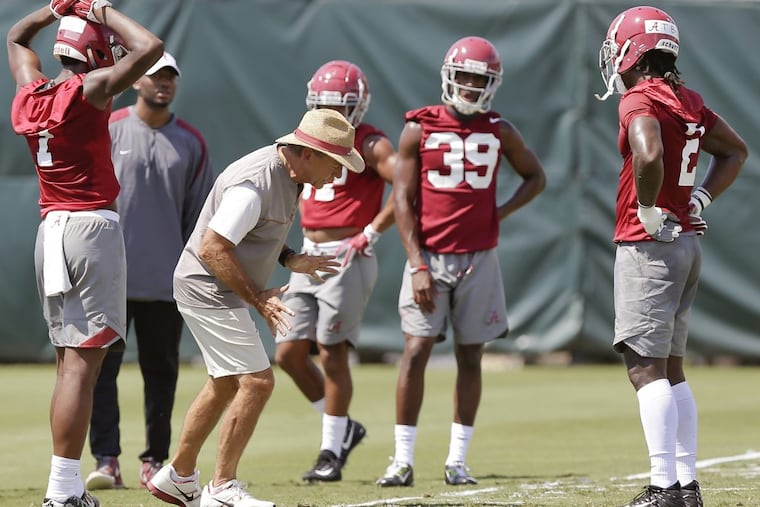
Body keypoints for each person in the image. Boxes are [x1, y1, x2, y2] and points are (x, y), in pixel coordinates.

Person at [147, 107, 364, 507]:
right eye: (336, 163)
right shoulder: (255, 184)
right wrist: (258, 299)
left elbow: (252, 234)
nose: (338, 174)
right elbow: (213, 248)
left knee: (225, 382)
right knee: (258, 382)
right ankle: (222, 488)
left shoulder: (290, 174)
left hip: (213, 287)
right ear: (308, 153)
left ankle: (178, 476)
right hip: (207, 288)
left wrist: (289, 259)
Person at [7, 0, 163, 505]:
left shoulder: (31, 90)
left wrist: (53, 11)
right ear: (95, 51)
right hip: (90, 229)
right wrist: (98, 9)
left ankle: (68, 487)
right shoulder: (91, 88)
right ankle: (60, 492)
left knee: (67, 364)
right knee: (82, 367)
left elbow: (15, 39)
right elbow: (151, 48)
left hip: (50, 228)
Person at [376, 36, 546, 488]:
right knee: (415, 352)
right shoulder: (419, 128)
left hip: (478, 258)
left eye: (481, 79)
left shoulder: (499, 129)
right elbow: (403, 199)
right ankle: (402, 459)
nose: (471, 85)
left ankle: (457, 460)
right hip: (429, 255)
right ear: (449, 76)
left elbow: (536, 177)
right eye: (465, 76)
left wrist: (499, 212)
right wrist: (416, 264)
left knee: (472, 356)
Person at [595, 6, 747, 507]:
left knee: (645, 368)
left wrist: (646, 206)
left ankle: (664, 487)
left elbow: (650, 153)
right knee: (672, 368)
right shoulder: (689, 98)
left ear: (630, 49)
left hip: (651, 245)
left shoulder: (639, 98)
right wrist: (699, 199)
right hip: (687, 245)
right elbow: (736, 151)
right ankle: (686, 487)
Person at [84, 51, 214, 491]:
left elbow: (199, 218)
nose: (164, 83)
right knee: (100, 372)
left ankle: (154, 459)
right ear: (136, 81)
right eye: (155, 75)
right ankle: (106, 461)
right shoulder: (110, 128)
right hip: (109, 282)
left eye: (171, 77)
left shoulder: (192, 141)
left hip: (166, 286)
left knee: (161, 375)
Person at [273, 60, 397, 483]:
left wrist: (372, 231)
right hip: (308, 252)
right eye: (326, 106)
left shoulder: (373, 142)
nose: (335, 116)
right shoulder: (308, 137)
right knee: (288, 354)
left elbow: (409, 183)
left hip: (346, 254)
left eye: (341, 107)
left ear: (359, 106)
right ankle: (343, 429)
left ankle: (330, 451)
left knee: (332, 350)